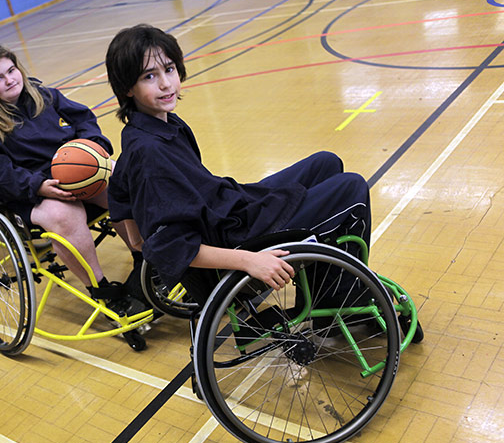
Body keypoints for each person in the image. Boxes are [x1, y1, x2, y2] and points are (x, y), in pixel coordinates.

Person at [104, 24, 371, 295]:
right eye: (149, 76)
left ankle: (324, 284)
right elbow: (169, 246)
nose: (165, 84)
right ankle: (340, 309)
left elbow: (120, 198)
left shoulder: (157, 128)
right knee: (351, 187)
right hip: (234, 240)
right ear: (127, 88)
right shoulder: (149, 152)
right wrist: (250, 260)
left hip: (227, 211)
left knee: (326, 163)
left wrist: (137, 242)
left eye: (169, 69)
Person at [0, 43, 147, 317]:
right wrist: (37, 185)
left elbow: (84, 118)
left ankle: (144, 261)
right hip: (24, 192)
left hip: (68, 170)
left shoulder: (44, 96)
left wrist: (92, 146)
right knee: (63, 215)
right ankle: (101, 290)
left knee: (120, 180)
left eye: (11, 70)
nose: (10, 79)